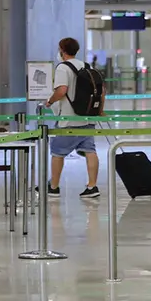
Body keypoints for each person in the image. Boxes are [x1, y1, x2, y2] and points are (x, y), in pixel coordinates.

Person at [43, 37, 106, 199]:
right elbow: (101, 90)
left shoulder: (63, 68)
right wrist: (99, 110)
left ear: (62, 50)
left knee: (58, 152)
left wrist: (50, 101)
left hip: (69, 119)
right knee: (90, 151)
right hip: (87, 117)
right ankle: (92, 186)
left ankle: (54, 187)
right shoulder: (86, 66)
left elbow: (62, 90)